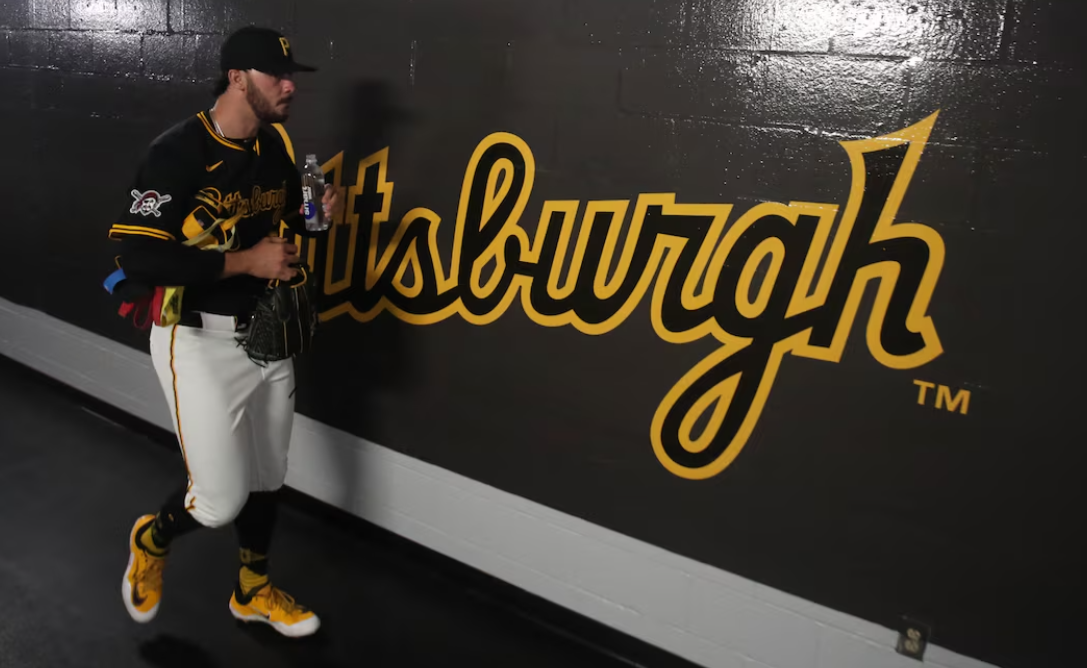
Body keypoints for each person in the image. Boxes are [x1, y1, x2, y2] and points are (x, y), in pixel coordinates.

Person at [106, 26, 341, 638]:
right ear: (237, 78)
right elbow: (138, 257)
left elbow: (292, 224)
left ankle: (252, 590)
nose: (290, 86)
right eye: (277, 76)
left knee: (268, 477)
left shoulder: (275, 149)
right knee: (217, 502)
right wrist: (245, 262)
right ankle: (151, 538)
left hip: (266, 336)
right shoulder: (177, 151)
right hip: (197, 340)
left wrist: (317, 223)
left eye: (292, 75)